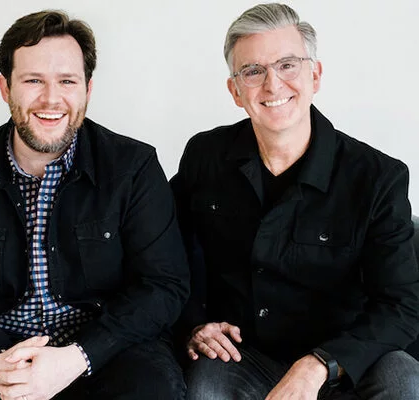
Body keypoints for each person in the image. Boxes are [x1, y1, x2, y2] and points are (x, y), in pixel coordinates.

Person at [0, 10, 189, 400]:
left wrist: (77, 357)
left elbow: (163, 285)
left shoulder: (133, 167)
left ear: (87, 89)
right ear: (5, 88)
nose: (51, 99)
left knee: (153, 391)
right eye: (33, 81)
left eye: (67, 81)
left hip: (105, 348)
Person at [171, 3, 419, 399]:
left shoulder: (377, 177)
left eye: (287, 65)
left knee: (406, 381)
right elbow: (167, 256)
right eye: (253, 71)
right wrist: (194, 326)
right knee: (204, 385)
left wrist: (319, 364)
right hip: (244, 356)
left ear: (314, 75)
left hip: (347, 361)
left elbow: (402, 307)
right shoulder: (206, 156)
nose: (273, 85)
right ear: (235, 91)